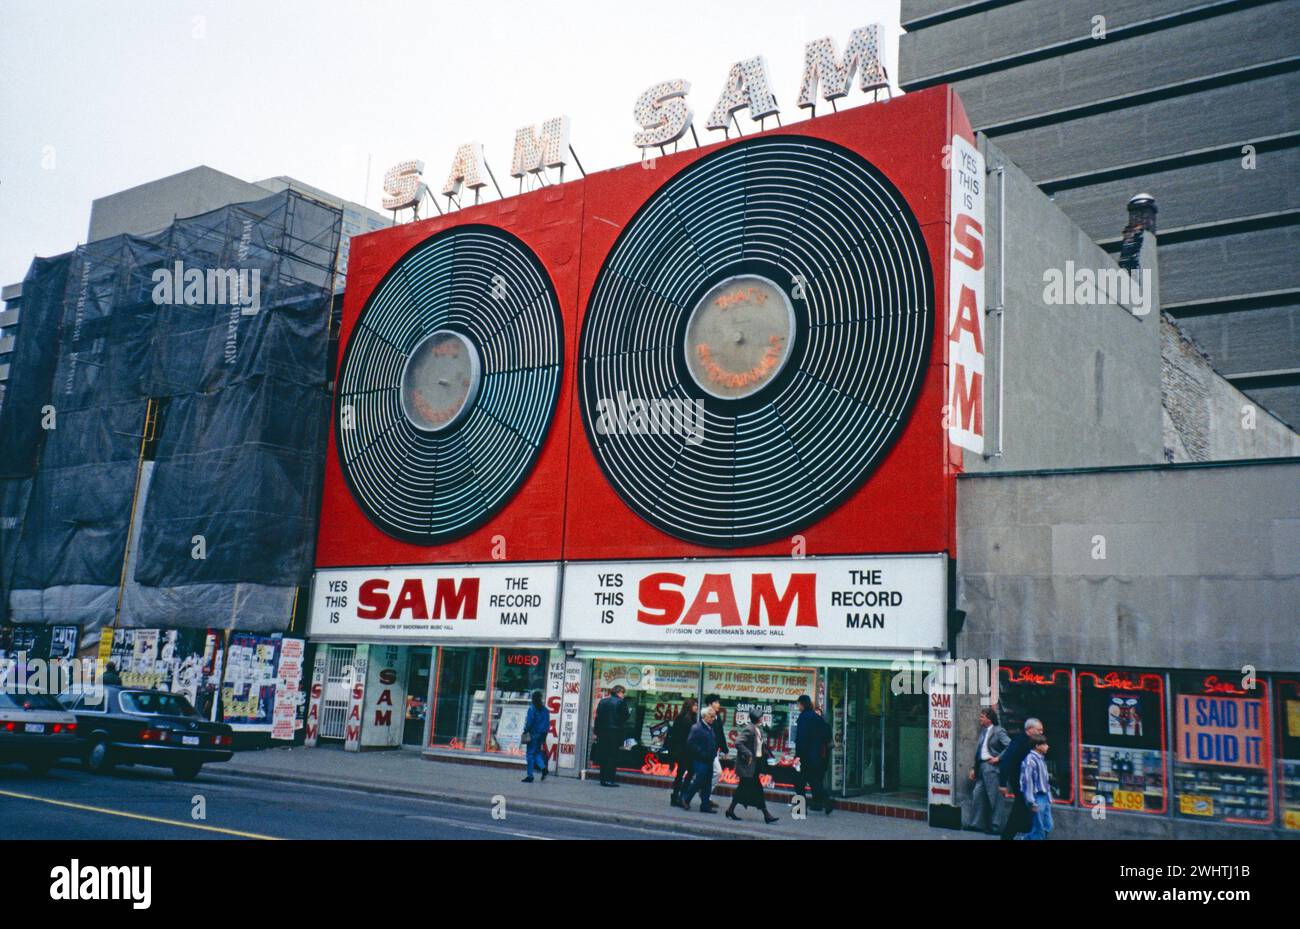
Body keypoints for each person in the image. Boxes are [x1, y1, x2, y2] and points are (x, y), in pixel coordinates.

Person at [727, 708, 779, 824]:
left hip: (755, 765)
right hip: (749, 765)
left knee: (743, 788)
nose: (762, 718)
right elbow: (738, 742)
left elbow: (759, 746)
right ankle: (766, 814)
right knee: (757, 789)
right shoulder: (749, 729)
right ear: (758, 718)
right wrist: (748, 753)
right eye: (761, 716)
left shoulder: (757, 729)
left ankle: (730, 809)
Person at [998, 716, 1044, 840]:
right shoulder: (1019, 742)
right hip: (1020, 782)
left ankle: (1024, 834)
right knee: (1019, 809)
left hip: (1029, 782)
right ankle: (1008, 836)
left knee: (1024, 810)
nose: (1041, 732)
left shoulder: (1034, 743)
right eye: (1039, 730)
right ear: (1029, 729)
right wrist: (1002, 783)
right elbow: (1006, 761)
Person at [966, 707, 1010, 833]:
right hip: (982, 767)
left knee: (995, 798)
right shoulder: (984, 731)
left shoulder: (998, 731)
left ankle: (997, 827)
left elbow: (1010, 745)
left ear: (989, 719)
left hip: (992, 768)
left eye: (982, 716)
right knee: (977, 795)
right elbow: (979, 752)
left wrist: (998, 758)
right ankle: (976, 824)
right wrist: (974, 768)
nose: (980, 718)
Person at [793, 695, 834, 815]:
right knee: (814, 782)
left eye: (798, 704)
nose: (798, 707)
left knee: (799, 783)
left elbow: (801, 739)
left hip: (805, 756)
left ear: (802, 704)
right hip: (816, 756)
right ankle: (827, 801)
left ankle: (801, 807)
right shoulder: (817, 718)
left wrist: (798, 756)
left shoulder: (803, 718)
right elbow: (826, 735)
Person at [680, 706, 719, 813]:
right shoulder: (697, 728)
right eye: (711, 717)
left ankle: (705, 805)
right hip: (700, 759)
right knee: (699, 780)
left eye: (714, 717)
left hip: (709, 758)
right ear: (704, 716)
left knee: (707, 783)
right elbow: (691, 743)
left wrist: (713, 753)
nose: (713, 719)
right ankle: (686, 798)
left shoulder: (710, 727)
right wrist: (702, 753)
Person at [593, 685, 630, 787]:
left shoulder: (603, 701)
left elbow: (598, 718)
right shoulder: (621, 702)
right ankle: (609, 779)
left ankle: (603, 779)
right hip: (615, 732)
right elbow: (625, 716)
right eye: (623, 693)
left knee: (604, 755)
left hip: (603, 732)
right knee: (612, 756)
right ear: (619, 692)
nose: (623, 695)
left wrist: (596, 732)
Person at [667, 697, 699, 807]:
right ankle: (679, 796)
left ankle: (677, 796)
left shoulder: (690, 718)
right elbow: (679, 736)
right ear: (689, 706)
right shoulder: (685, 719)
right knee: (686, 773)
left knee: (684, 773)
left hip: (684, 751)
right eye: (695, 705)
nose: (696, 707)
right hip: (684, 751)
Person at [1020, 735, 1053, 840]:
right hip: (1036, 796)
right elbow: (1027, 782)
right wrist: (1031, 801)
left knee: (1048, 825)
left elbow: (1045, 781)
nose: (1047, 746)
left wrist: (1049, 797)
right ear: (1037, 746)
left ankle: (1027, 838)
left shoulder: (1041, 759)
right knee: (1039, 827)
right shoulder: (1030, 760)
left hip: (1044, 797)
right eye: (1045, 744)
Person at [521, 690, 550, 783]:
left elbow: (529, 722)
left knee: (530, 754)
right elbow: (547, 724)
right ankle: (543, 767)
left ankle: (530, 775)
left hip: (533, 734)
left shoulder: (532, 709)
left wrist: (525, 730)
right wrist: (544, 737)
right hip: (542, 735)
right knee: (537, 752)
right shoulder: (545, 710)